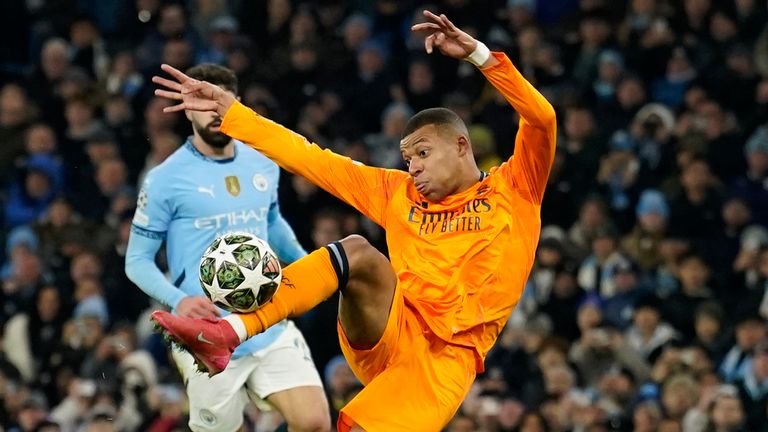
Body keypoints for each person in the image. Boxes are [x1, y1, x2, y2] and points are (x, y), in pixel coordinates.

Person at [150, 10, 556, 432]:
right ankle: (228, 333)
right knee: (357, 253)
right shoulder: (397, 193)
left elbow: (542, 119)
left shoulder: (516, 189)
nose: (413, 167)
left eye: (422, 153)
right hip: (390, 323)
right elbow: (311, 158)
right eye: (407, 158)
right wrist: (235, 116)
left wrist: (478, 54)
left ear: (460, 145)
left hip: (443, 360)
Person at [124, 64, 330, 432]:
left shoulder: (263, 160)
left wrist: (309, 267)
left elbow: (271, 223)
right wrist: (178, 301)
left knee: (314, 423)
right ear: (187, 109)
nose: (214, 112)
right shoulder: (163, 180)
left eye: (221, 103)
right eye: (202, 103)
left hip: (267, 319)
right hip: (205, 331)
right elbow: (137, 261)